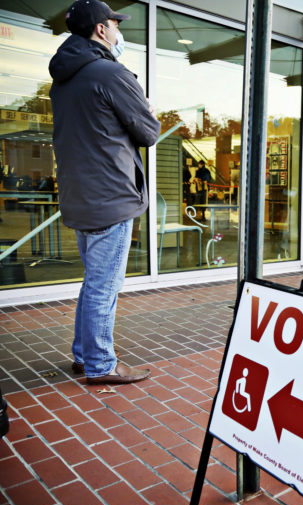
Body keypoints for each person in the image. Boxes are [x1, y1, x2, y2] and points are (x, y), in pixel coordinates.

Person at [49, 0, 159, 384]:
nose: (118, 32)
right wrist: (145, 105)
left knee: (94, 281)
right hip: (111, 196)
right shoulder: (111, 73)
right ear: (100, 30)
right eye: (114, 25)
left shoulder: (62, 79)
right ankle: (100, 364)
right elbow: (148, 133)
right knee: (104, 286)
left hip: (80, 196)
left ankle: (83, 355)